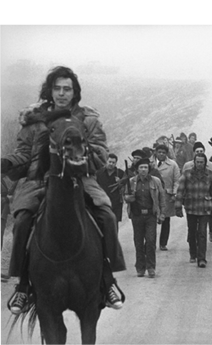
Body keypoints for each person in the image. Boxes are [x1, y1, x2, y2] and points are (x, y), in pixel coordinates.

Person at [0, 66, 125, 314]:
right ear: (50, 91)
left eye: (67, 89)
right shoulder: (35, 121)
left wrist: (79, 162)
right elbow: (25, 152)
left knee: (107, 216)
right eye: (57, 88)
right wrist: (8, 162)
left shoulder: (88, 120)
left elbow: (100, 153)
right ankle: (23, 286)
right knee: (23, 219)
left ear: (75, 92)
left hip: (81, 180)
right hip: (39, 181)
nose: (61, 93)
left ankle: (108, 280)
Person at [125, 158, 166, 278]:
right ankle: (140, 268)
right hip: (137, 215)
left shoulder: (155, 181)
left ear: (149, 169)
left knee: (151, 241)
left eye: (146, 167)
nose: (143, 170)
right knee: (138, 242)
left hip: (150, 215)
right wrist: (128, 198)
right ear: (137, 169)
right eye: (141, 167)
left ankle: (151, 267)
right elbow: (125, 196)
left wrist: (162, 213)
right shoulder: (131, 181)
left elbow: (161, 198)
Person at [175, 153, 212, 267]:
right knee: (192, 232)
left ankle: (202, 258)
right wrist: (178, 206)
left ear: (205, 163)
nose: (199, 164)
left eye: (201, 162)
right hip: (191, 207)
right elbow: (180, 190)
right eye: (197, 162)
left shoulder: (210, 175)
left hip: (204, 207)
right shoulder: (187, 174)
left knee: (202, 233)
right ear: (194, 162)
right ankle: (193, 254)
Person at [154, 144, 180, 251]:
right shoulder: (149, 164)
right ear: (156, 152)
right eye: (159, 152)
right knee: (152, 219)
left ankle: (163, 243)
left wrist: (174, 194)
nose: (161, 154)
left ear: (166, 153)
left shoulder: (173, 165)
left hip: (167, 196)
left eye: (163, 152)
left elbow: (177, 180)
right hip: (152, 195)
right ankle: (150, 242)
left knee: (166, 219)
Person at [96, 153, 125, 225]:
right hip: (102, 204)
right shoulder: (99, 173)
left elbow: (126, 188)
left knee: (114, 225)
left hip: (115, 204)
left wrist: (120, 183)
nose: (111, 164)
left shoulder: (121, 173)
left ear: (116, 163)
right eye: (109, 162)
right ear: (106, 161)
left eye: (113, 162)